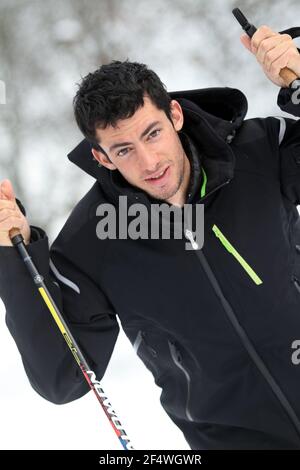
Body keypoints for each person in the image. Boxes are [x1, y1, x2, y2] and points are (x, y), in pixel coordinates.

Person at [1, 25, 300, 450]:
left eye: (152, 133)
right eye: (123, 150)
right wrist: (13, 258)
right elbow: (64, 378)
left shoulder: (258, 152)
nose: (148, 161)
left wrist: (299, 81)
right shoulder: (93, 239)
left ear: (174, 115)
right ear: (101, 156)